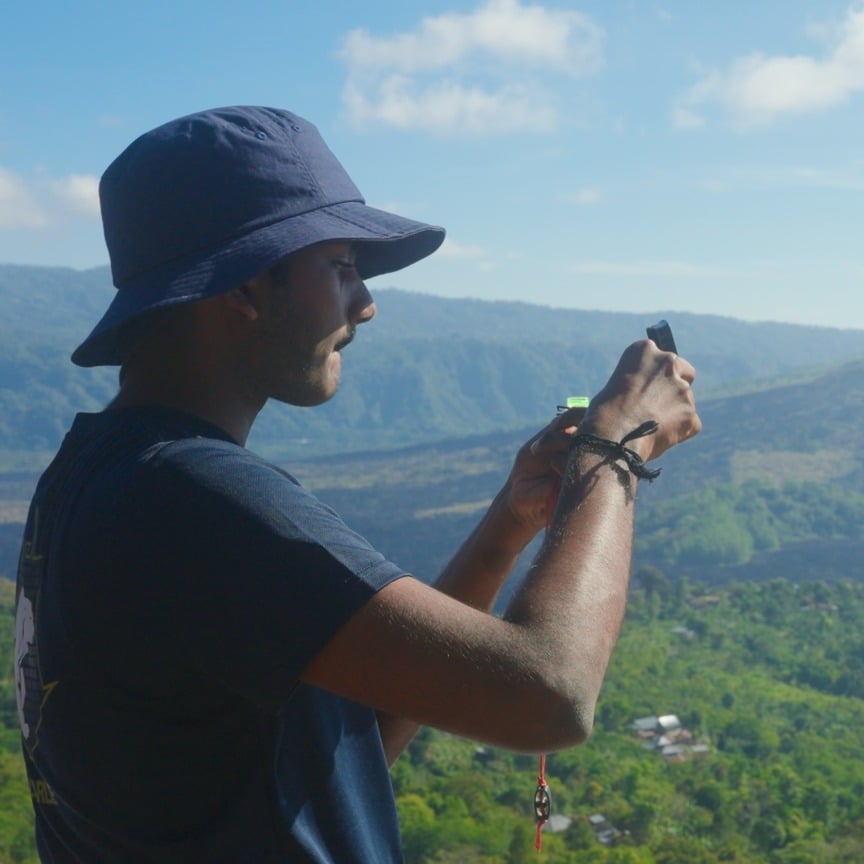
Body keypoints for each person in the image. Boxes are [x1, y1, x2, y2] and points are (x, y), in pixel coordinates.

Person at [14, 106, 700, 863]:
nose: (365, 304)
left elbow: (343, 758)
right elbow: (549, 697)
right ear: (247, 286)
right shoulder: (193, 497)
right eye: (341, 267)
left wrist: (506, 527)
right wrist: (616, 444)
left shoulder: (94, 479)